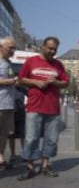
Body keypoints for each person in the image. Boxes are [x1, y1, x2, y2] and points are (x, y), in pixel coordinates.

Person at [17, 36, 69, 180]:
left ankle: (46, 165)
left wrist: (56, 82)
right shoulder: (31, 61)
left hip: (52, 107)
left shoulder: (58, 64)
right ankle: (30, 167)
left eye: (55, 49)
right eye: (50, 48)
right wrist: (36, 82)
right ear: (43, 47)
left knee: (51, 139)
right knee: (31, 138)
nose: (52, 51)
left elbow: (66, 83)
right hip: (34, 106)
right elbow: (20, 79)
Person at [0, 37, 17, 170]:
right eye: (10, 48)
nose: (13, 50)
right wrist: (12, 81)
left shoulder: (9, 63)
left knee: (5, 133)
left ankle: (1, 157)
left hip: (8, 104)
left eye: (14, 48)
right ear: (1, 47)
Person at [8, 85, 27, 163]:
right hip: (10, 112)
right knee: (11, 134)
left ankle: (24, 153)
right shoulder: (9, 87)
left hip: (21, 112)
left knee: (23, 134)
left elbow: (30, 94)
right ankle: (13, 154)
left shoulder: (22, 88)